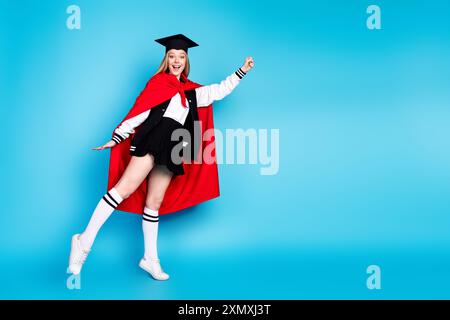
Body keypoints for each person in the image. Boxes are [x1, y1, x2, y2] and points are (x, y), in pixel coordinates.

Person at [68, 34, 254, 281]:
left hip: (175, 146)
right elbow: (139, 112)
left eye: (181, 56)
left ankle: (150, 259)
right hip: (153, 140)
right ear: (166, 59)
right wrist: (117, 137)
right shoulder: (158, 83)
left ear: (186, 60)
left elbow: (219, 91)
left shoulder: (192, 92)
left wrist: (241, 71)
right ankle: (83, 242)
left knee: (154, 202)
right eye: (172, 56)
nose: (176, 60)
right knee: (122, 190)